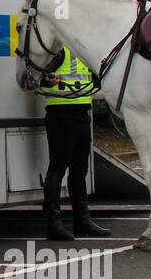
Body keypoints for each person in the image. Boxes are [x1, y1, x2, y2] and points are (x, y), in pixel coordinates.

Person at [40, 47, 110, 241]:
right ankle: (53, 224)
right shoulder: (58, 52)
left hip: (82, 113)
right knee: (57, 169)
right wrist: (46, 80)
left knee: (80, 171)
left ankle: (82, 221)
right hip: (61, 114)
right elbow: (37, 77)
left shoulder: (82, 51)